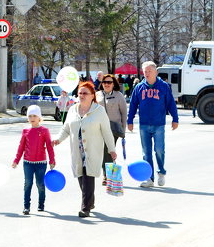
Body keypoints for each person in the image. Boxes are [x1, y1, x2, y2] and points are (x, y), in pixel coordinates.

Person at [53, 82, 118, 218]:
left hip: (92, 151)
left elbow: (106, 131)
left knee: (88, 177)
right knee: (81, 178)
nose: (82, 95)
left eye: (85, 93)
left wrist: (112, 149)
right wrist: (58, 139)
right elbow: (66, 128)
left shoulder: (99, 111)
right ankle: (90, 201)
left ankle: (85, 208)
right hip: (77, 151)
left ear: (92, 95)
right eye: (80, 93)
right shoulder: (72, 110)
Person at [127, 61, 179, 188]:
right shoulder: (139, 87)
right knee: (146, 153)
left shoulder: (164, 86)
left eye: (150, 71)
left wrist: (175, 118)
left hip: (159, 124)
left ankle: (161, 172)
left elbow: (171, 103)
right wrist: (130, 120)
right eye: (145, 71)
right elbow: (133, 104)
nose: (147, 74)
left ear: (156, 72)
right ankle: (149, 178)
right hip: (144, 124)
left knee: (159, 150)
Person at [12, 105, 56, 215]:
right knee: (27, 183)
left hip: (41, 163)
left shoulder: (44, 130)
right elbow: (21, 147)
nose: (32, 118)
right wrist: (16, 160)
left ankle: (41, 204)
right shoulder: (25, 131)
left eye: (34, 116)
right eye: (30, 116)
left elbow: (49, 147)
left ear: (39, 117)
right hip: (28, 163)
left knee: (40, 184)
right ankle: (26, 206)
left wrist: (52, 160)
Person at [96, 73, 128, 165]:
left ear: (113, 84)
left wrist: (123, 129)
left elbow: (124, 113)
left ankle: (107, 175)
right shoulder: (97, 95)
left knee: (108, 150)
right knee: (101, 151)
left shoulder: (119, 95)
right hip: (99, 128)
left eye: (109, 82)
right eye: (104, 82)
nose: (107, 84)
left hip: (114, 128)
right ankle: (107, 173)